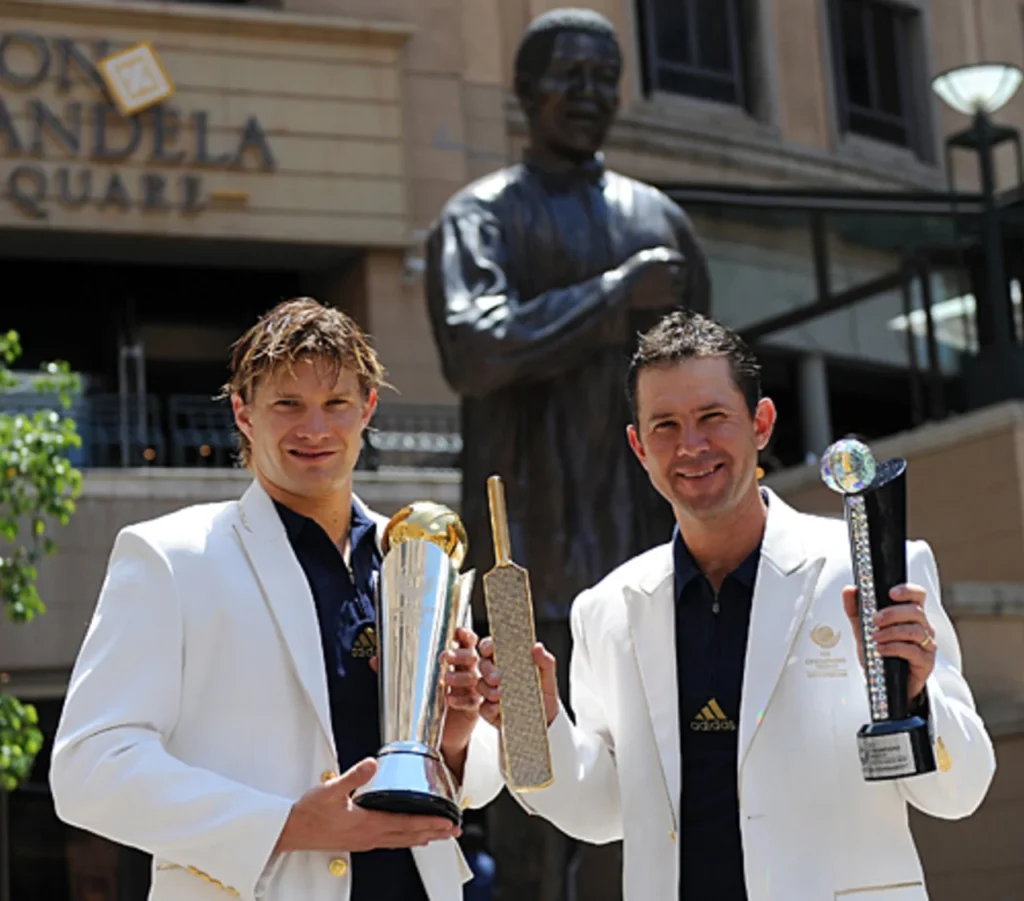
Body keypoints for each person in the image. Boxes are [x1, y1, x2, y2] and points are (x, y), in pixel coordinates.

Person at [478, 310, 997, 901]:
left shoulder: (870, 569)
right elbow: (602, 813)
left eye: (712, 417)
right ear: (638, 446)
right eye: (665, 425)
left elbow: (962, 794)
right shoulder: (605, 610)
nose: (690, 445)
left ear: (762, 423)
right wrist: (539, 722)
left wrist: (915, 695)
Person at [49, 298, 504, 901]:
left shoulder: (413, 558)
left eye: (335, 404)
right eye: (287, 404)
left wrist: (457, 738)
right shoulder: (169, 555)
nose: (314, 429)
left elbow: (473, 783)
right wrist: (284, 826)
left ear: (367, 409)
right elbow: (88, 769)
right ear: (243, 412)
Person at [425, 10, 710, 896]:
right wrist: (617, 292)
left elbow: (711, 381)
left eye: (604, 76)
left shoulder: (657, 217)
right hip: (519, 572)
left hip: (651, 565)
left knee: (664, 787)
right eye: (569, 75)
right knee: (527, 798)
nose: (589, 94)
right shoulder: (481, 216)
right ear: (523, 91)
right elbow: (475, 349)